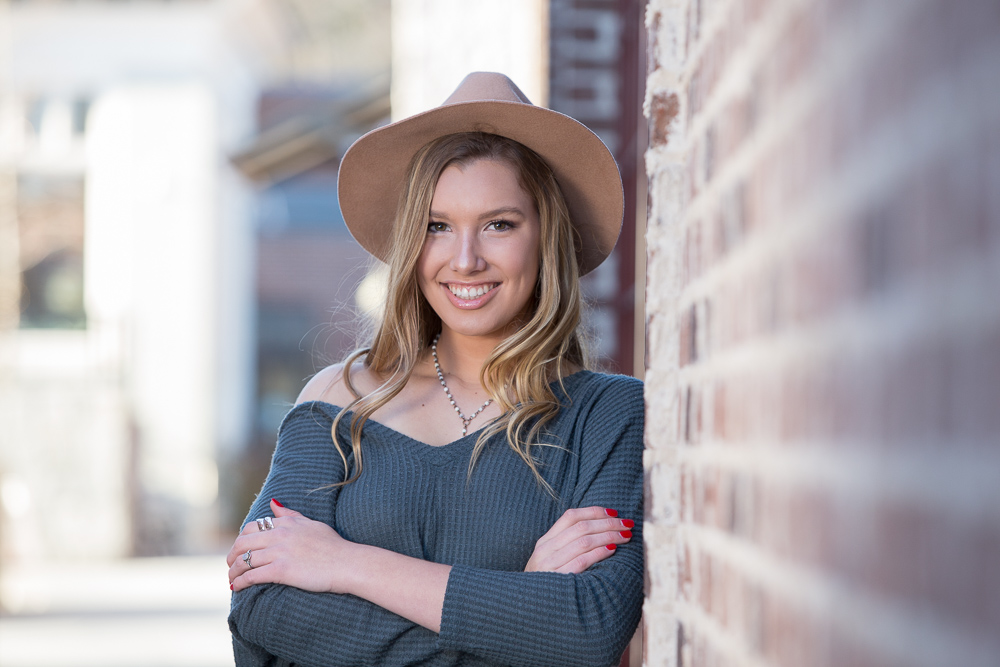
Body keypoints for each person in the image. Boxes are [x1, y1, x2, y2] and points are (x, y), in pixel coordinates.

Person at [226, 72, 644, 667]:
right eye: (436, 226)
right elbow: (262, 607)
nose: (465, 259)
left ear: (545, 237)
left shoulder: (610, 416)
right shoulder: (339, 401)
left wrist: (346, 564)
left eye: (500, 224)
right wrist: (516, 614)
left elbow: (585, 627)